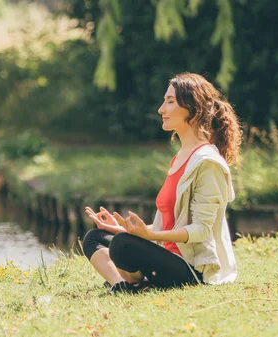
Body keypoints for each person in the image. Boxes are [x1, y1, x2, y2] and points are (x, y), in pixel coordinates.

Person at [82, 72, 242, 294]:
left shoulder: (207, 162)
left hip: (191, 270)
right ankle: (121, 285)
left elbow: (201, 230)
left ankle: (134, 281)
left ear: (193, 109)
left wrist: (149, 236)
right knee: (96, 237)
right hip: (164, 256)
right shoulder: (180, 158)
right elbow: (169, 225)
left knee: (122, 245)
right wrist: (126, 229)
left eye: (170, 101)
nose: (161, 109)